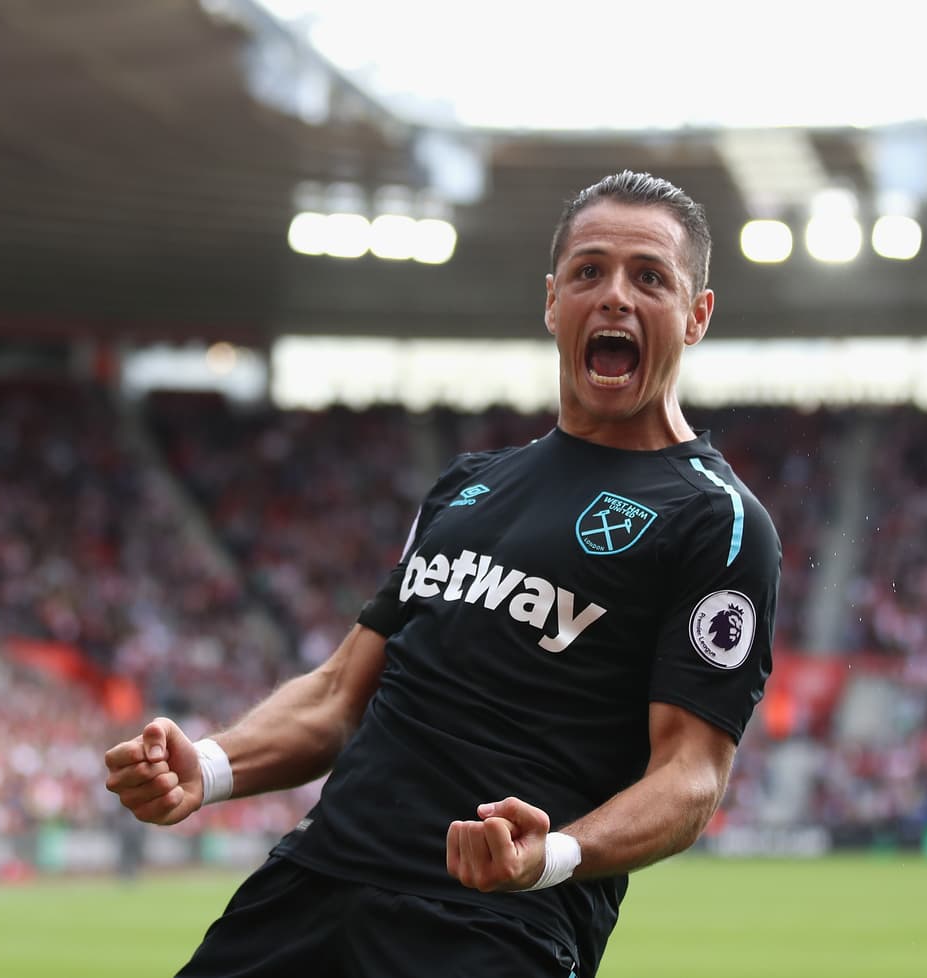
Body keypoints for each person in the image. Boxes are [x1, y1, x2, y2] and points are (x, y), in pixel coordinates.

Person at [105, 170, 781, 977]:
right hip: (312, 886)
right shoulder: (466, 485)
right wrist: (209, 765)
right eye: (588, 272)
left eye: (650, 277)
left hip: (490, 928)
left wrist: (553, 854)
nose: (614, 297)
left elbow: (692, 775)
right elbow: (336, 697)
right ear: (551, 300)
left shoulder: (718, 521)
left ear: (696, 315)